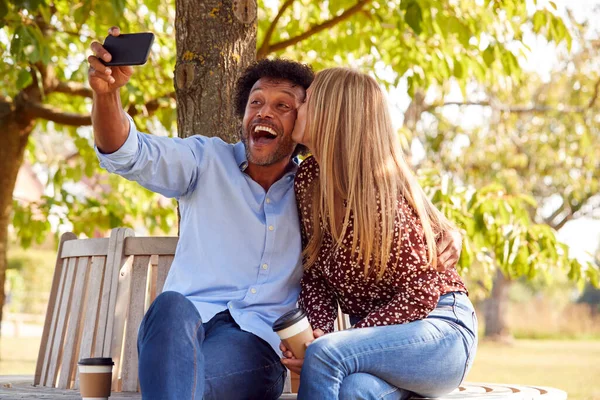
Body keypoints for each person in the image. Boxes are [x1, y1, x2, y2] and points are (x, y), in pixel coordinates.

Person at [88, 27, 462, 399]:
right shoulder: (206, 161)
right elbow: (129, 152)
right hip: (179, 333)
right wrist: (107, 96)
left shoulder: (319, 189)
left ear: (304, 123)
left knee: (188, 387)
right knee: (170, 307)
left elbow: (391, 208)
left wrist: (446, 229)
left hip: (252, 343)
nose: (265, 112)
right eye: (256, 102)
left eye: (284, 106)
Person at [281, 67, 478, 400]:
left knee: (327, 355)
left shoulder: (383, 193)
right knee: (353, 392)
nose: (298, 107)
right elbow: (315, 276)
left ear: (333, 114)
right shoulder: (309, 180)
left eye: (308, 100)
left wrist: (335, 344)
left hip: (440, 334)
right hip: (373, 346)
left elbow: (421, 291)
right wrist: (317, 333)